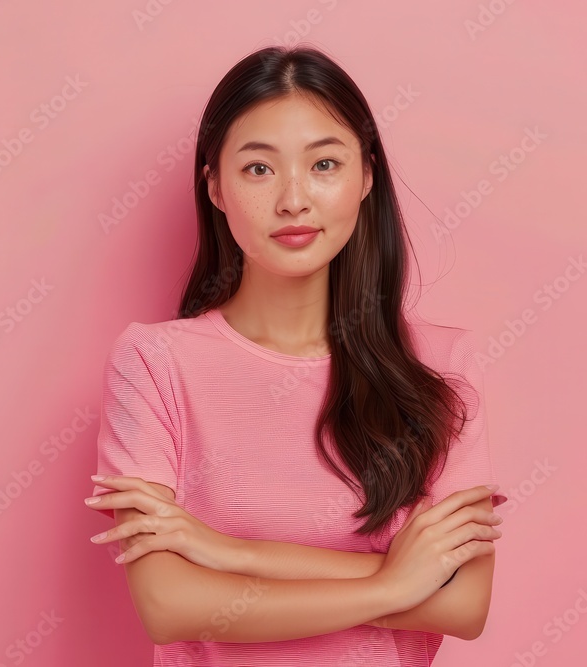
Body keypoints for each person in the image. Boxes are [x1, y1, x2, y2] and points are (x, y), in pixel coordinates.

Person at [83, 45, 507, 666]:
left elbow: (464, 605)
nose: (293, 200)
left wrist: (227, 552)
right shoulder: (154, 363)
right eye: (258, 169)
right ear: (216, 188)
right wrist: (393, 582)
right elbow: (169, 605)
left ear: (365, 178)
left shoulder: (442, 365)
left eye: (324, 164)